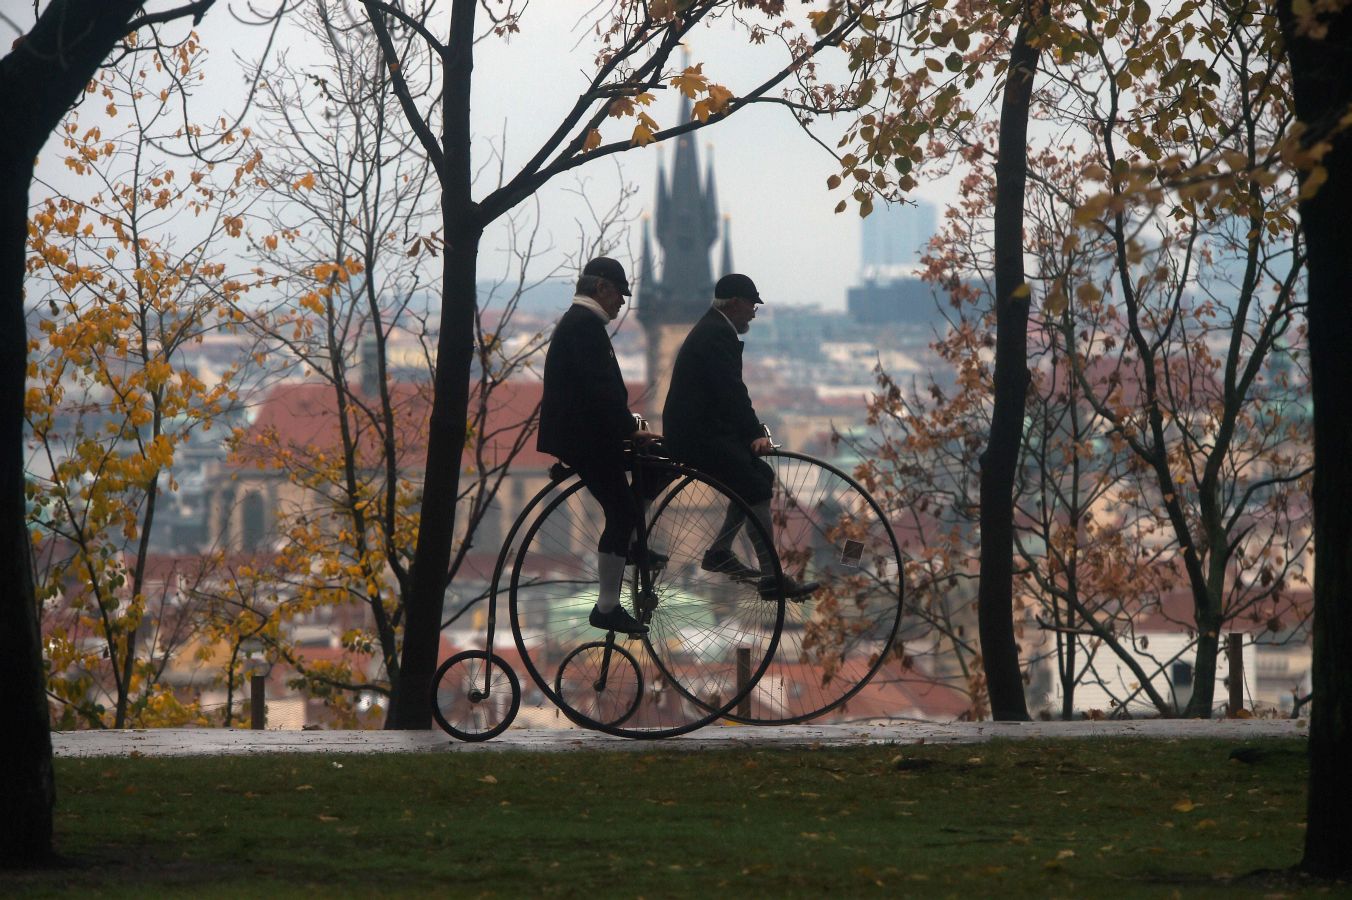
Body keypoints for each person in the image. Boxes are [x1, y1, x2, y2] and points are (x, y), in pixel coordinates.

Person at [662, 273, 818, 599]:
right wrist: (754, 432)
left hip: (703, 431)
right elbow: (731, 391)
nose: (754, 313)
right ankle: (770, 574)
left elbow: (725, 393)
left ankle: (720, 551)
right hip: (698, 437)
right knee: (755, 485)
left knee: (758, 475)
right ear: (735, 304)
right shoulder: (717, 334)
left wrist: (750, 433)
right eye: (752, 305)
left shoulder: (714, 329)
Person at [538, 257, 660, 635]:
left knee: (658, 464)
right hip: (587, 439)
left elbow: (600, 391)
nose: (622, 303)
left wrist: (627, 428)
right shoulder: (583, 326)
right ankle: (606, 607)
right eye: (619, 294)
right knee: (621, 511)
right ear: (601, 288)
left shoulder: (583, 324)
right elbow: (599, 390)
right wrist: (628, 428)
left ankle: (636, 544)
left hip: (591, 435)